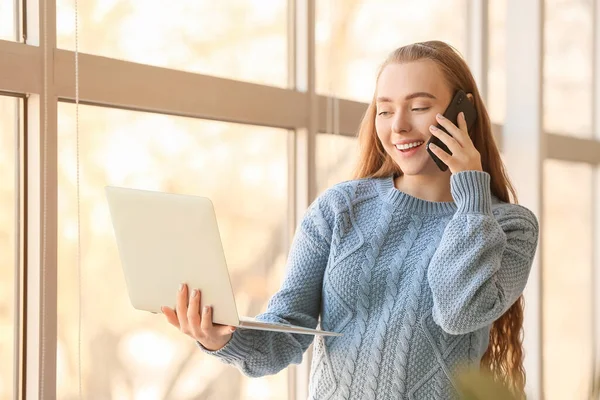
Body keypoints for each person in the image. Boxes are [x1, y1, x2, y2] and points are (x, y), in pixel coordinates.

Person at [161, 40, 539, 400]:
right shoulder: (340, 208)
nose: (398, 126)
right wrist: (218, 338)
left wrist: (471, 193)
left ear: (463, 112)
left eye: (419, 107)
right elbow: (287, 332)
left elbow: (460, 313)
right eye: (385, 110)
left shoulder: (509, 227)